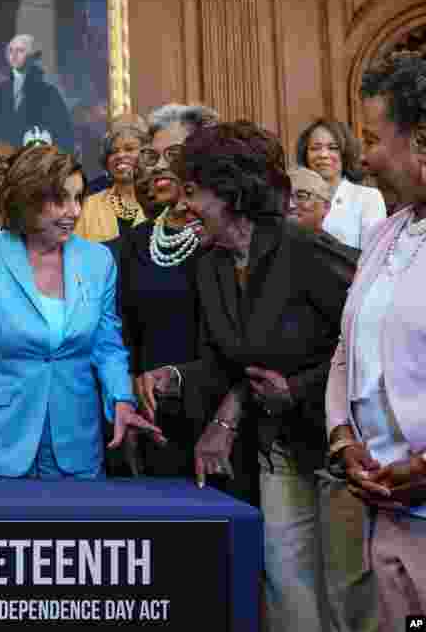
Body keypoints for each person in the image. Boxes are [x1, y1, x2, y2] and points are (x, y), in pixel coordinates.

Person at [171, 120, 364, 632]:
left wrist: (297, 389)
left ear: (230, 190)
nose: (184, 205)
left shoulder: (304, 250)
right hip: (275, 448)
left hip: (343, 450)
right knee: (286, 584)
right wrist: (179, 381)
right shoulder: (210, 266)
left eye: (193, 191)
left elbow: (372, 338)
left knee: (347, 592)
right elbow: (235, 363)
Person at [0, 144, 163, 479]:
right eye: (60, 199)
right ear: (27, 200)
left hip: (76, 444)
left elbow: (107, 344)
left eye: (78, 197)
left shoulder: (98, 260)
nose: (74, 211)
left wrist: (121, 400)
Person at [327, 51, 426, 631]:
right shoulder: (387, 231)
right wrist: (343, 439)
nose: (362, 156)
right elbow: (347, 351)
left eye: (371, 137)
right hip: (386, 510)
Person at [118, 104, 217, 479]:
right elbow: (125, 334)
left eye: (172, 155)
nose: (159, 166)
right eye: (152, 156)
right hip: (151, 420)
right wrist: (125, 402)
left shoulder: (223, 238)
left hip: (215, 419)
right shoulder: (136, 242)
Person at [296, 118, 386, 248]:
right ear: (305, 154)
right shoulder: (294, 199)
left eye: (333, 148)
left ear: (345, 153)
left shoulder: (368, 198)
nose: (323, 154)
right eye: (315, 148)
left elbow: (373, 257)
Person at [75, 114, 149, 243]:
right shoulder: (89, 205)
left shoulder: (161, 200)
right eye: (113, 151)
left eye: (129, 149)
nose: (120, 155)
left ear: (148, 155)